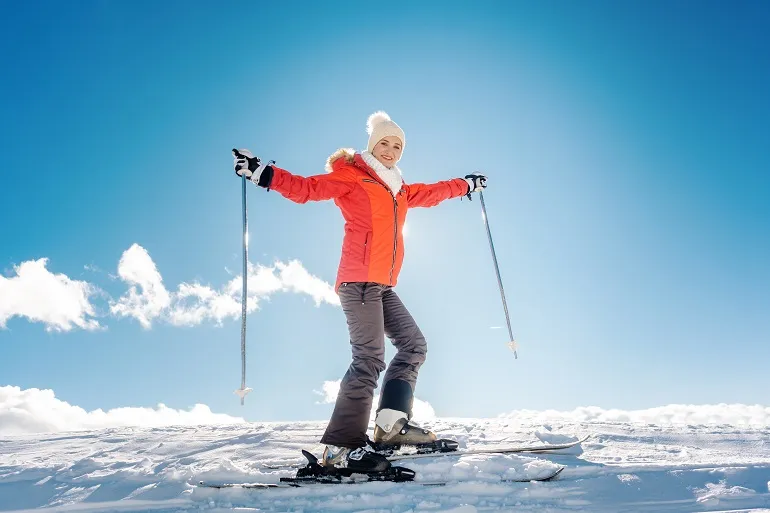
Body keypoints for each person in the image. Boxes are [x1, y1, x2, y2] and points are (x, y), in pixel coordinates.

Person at [233, 111, 487, 473]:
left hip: (382, 286)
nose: (390, 150)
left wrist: (465, 185)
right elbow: (307, 188)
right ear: (372, 145)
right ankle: (340, 449)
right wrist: (264, 174)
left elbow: (433, 192)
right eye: (384, 143)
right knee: (368, 358)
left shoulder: (399, 189)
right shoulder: (353, 177)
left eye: (397, 145)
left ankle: (391, 426)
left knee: (414, 345)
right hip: (359, 282)